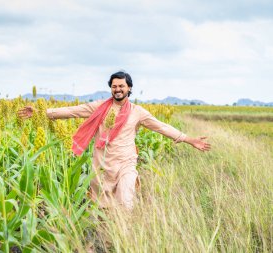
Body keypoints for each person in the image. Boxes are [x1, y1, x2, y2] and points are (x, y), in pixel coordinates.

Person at [18, 71, 211, 209]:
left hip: (126, 162)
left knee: (126, 199)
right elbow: (71, 111)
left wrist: (188, 139)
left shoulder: (138, 112)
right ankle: (111, 239)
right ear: (111, 88)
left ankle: (126, 237)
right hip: (102, 163)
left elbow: (161, 126)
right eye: (114, 86)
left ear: (129, 88)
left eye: (121, 86)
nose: (117, 89)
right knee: (103, 206)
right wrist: (40, 113)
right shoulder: (99, 107)